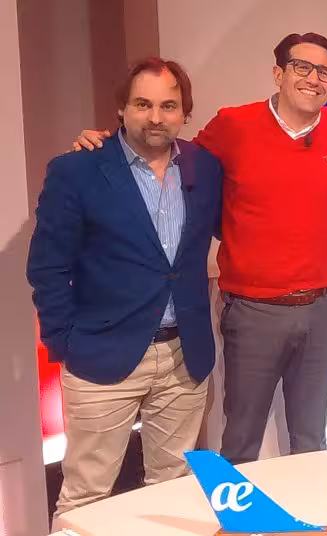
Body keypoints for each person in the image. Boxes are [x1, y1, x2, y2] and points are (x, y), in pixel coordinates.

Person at [75, 33, 327, 464]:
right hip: (254, 311)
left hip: (322, 307)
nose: (313, 78)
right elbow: (168, 156)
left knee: (311, 440)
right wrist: (105, 145)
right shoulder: (233, 125)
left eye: (324, 72)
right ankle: (238, 511)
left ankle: (305, 510)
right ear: (278, 73)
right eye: (302, 67)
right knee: (242, 438)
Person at [29, 58, 223, 515]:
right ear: (122, 109)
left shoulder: (205, 166)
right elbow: (47, 266)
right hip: (100, 354)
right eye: (142, 104)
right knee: (86, 497)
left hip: (183, 357)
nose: (155, 117)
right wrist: (65, 343)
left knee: (173, 490)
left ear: (184, 112)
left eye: (168, 106)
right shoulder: (78, 170)